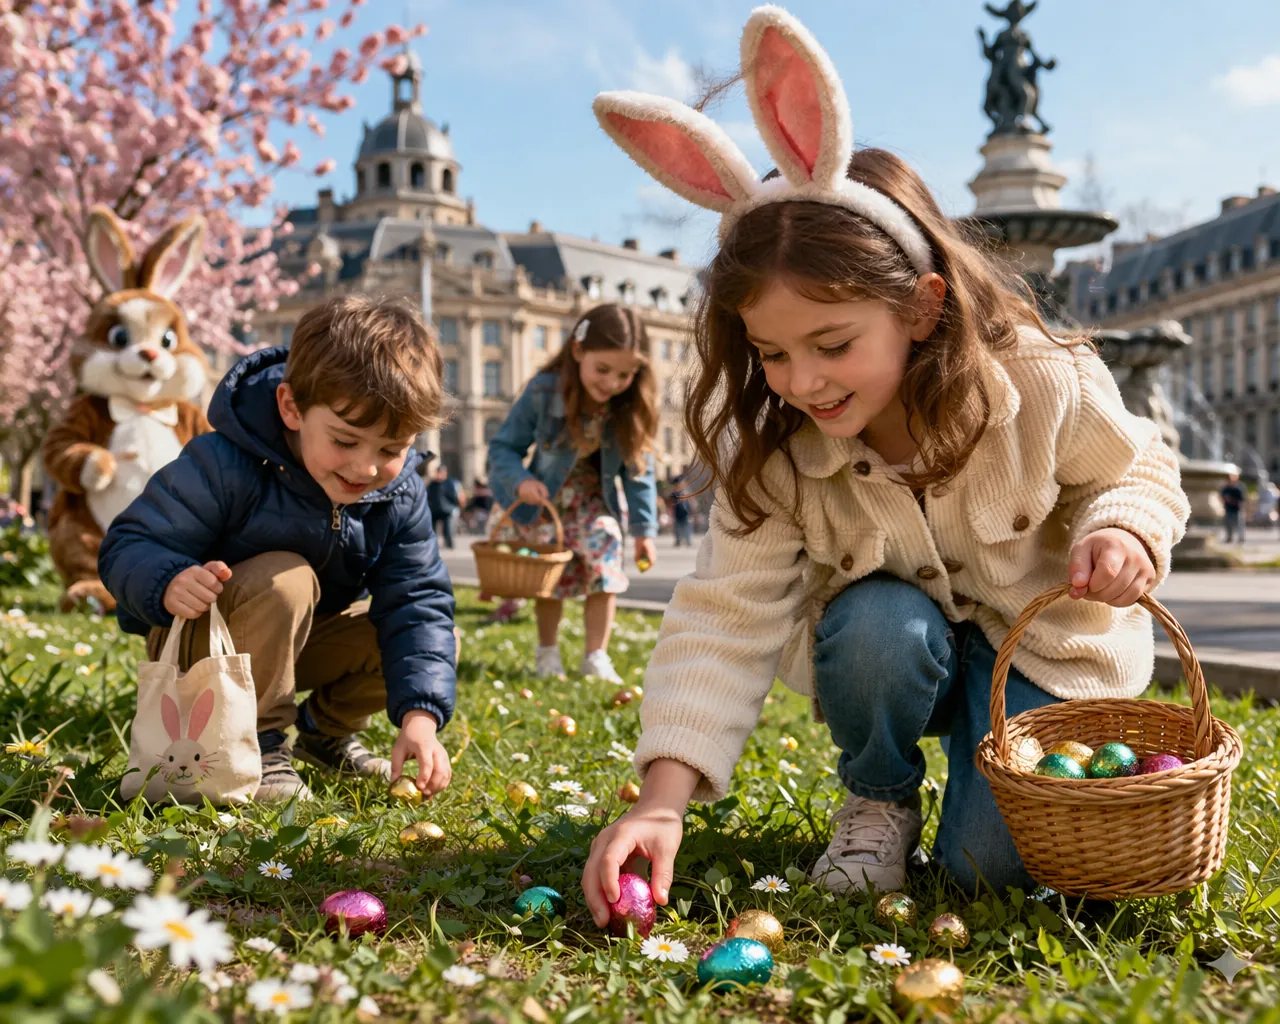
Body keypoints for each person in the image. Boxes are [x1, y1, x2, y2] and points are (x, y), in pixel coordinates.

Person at [581, 6, 1189, 921]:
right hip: (895, 657)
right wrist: (662, 798)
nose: (803, 382)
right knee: (876, 625)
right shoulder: (780, 450)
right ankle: (878, 795)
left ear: (920, 305)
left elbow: (1140, 466)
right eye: (772, 354)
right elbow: (723, 613)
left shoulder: (1043, 378)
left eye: (832, 343)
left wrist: (1124, 525)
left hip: (1046, 653)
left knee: (991, 871)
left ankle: (985, 796)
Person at [99, 295, 458, 804]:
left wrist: (420, 717)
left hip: (296, 644)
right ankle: (261, 748)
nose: (366, 468)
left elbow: (418, 601)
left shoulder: (397, 494)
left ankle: (324, 734)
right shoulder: (226, 461)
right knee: (285, 578)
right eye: (345, 440)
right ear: (291, 408)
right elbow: (129, 543)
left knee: (431, 638)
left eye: (390, 449)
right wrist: (169, 578)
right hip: (207, 647)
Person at [487, 303, 659, 684]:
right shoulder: (544, 391)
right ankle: (547, 652)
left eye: (625, 374)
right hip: (546, 500)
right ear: (578, 352)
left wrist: (645, 531)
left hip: (593, 499)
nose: (612, 383)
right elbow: (504, 447)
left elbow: (639, 470)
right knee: (553, 571)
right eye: (603, 370)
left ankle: (595, 655)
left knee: (607, 558)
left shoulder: (627, 406)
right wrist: (520, 482)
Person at [427, 463, 463, 549]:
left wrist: (458, 506)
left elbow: (458, 495)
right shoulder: (432, 484)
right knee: (432, 530)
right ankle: (433, 545)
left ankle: (449, 544)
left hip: (448, 509)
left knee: (448, 529)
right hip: (434, 509)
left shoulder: (451, 482)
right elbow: (427, 495)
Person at [668, 471, 694, 548]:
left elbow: (691, 500)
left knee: (687, 527)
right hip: (677, 513)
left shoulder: (686, 492)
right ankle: (678, 540)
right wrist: (670, 512)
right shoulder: (674, 493)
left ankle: (688, 540)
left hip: (686, 512)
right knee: (677, 528)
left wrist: (693, 509)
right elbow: (671, 503)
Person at [1221, 472, 1246, 544]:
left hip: (1237, 509)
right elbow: (1222, 496)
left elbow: (1242, 499)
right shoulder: (1226, 488)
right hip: (1228, 508)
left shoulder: (1239, 487)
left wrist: (1232, 500)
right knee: (1228, 524)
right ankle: (1229, 537)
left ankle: (1241, 537)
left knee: (1239, 524)